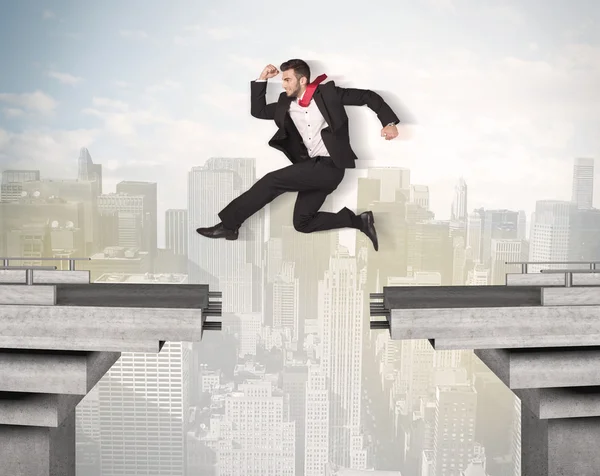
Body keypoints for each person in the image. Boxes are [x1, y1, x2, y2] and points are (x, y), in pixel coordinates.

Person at [196, 58, 401, 251]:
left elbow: (367, 96)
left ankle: (229, 225)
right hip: (312, 168)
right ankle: (359, 221)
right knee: (302, 223)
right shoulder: (286, 104)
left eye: (287, 79)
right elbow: (258, 111)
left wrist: (389, 123)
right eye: (282, 80)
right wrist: (262, 79)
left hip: (331, 167)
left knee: (271, 181)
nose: (283, 84)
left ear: (302, 80)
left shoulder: (328, 95)